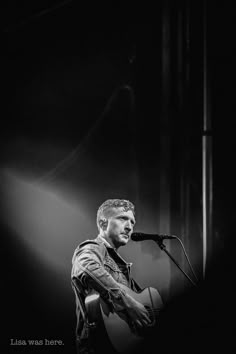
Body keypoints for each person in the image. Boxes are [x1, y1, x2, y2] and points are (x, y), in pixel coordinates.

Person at [71, 199, 152, 354]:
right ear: (103, 223)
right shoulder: (92, 248)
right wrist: (128, 302)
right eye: (123, 219)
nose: (129, 227)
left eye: (132, 222)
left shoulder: (119, 265)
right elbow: (86, 266)